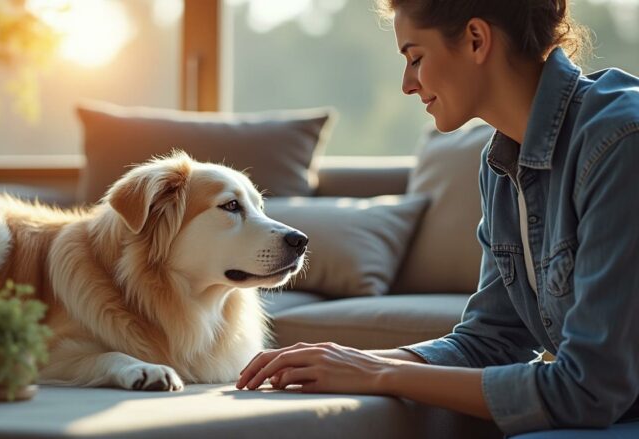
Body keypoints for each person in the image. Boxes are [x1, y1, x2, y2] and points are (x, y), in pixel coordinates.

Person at [235, 0, 639, 436]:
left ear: (476, 40)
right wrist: (350, 360)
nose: (408, 84)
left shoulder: (618, 143)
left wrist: (377, 374)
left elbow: (589, 389)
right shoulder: (500, 165)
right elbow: (491, 340)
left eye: (415, 58)